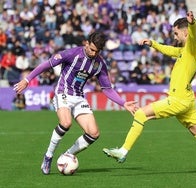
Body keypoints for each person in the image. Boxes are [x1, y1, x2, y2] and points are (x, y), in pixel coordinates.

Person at [103, 11, 196, 170]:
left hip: (178, 99)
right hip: (186, 100)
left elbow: (193, 35)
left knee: (140, 114)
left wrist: (193, 23)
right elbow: (168, 50)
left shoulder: (193, 48)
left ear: (185, 32)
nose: (174, 37)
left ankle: (123, 151)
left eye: (176, 33)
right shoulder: (183, 51)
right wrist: (152, 43)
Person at [14, 31, 137, 175]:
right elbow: (47, 65)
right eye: (91, 49)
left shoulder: (99, 64)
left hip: (79, 97)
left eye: (96, 51)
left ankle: (66, 155)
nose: (92, 53)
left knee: (94, 133)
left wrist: (123, 103)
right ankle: (48, 156)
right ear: (86, 43)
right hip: (63, 92)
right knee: (66, 123)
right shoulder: (72, 54)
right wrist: (27, 80)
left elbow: (107, 89)